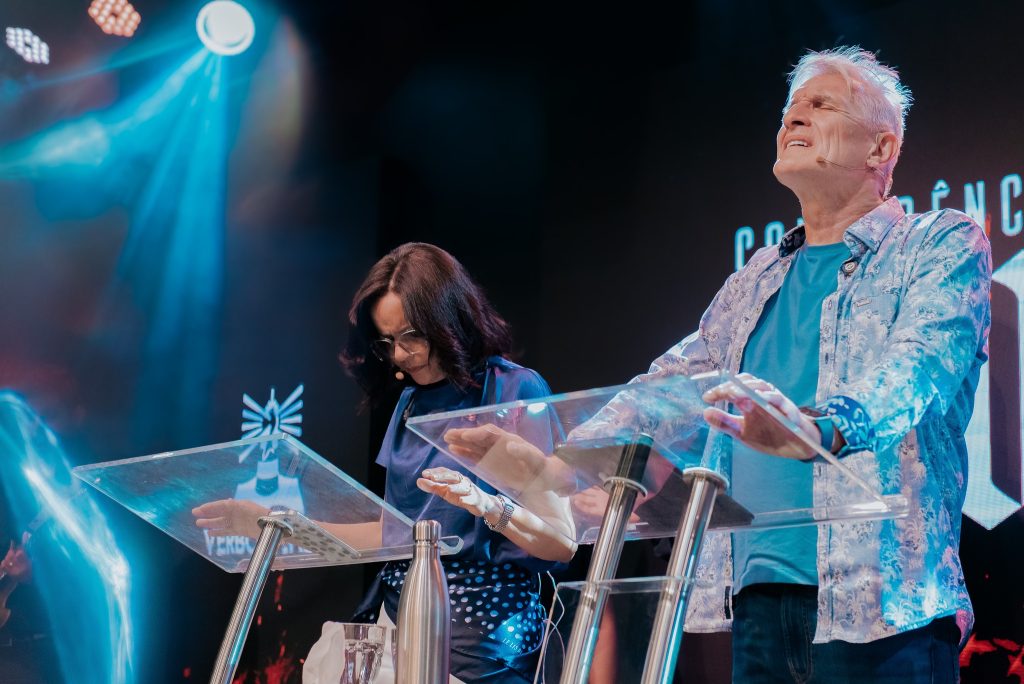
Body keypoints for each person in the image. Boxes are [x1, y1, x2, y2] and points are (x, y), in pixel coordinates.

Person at [527, 46, 988, 682]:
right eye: (790, 108)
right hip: (758, 600)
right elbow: (668, 387)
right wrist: (559, 463)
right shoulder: (754, 279)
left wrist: (818, 429)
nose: (793, 119)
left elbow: (921, 366)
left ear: (881, 150)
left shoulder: (938, 242)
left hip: (883, 608)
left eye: (820, 105)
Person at [196, 242, 575, 683]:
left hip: (484, 640)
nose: (400, 356)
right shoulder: (409, 403)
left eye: (412, 335)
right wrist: (278, 526)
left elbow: (559, 543)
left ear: (450, 319)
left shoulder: (515, 390)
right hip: (399, 623)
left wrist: (485, 505)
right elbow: (390, 534)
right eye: (388, 342)